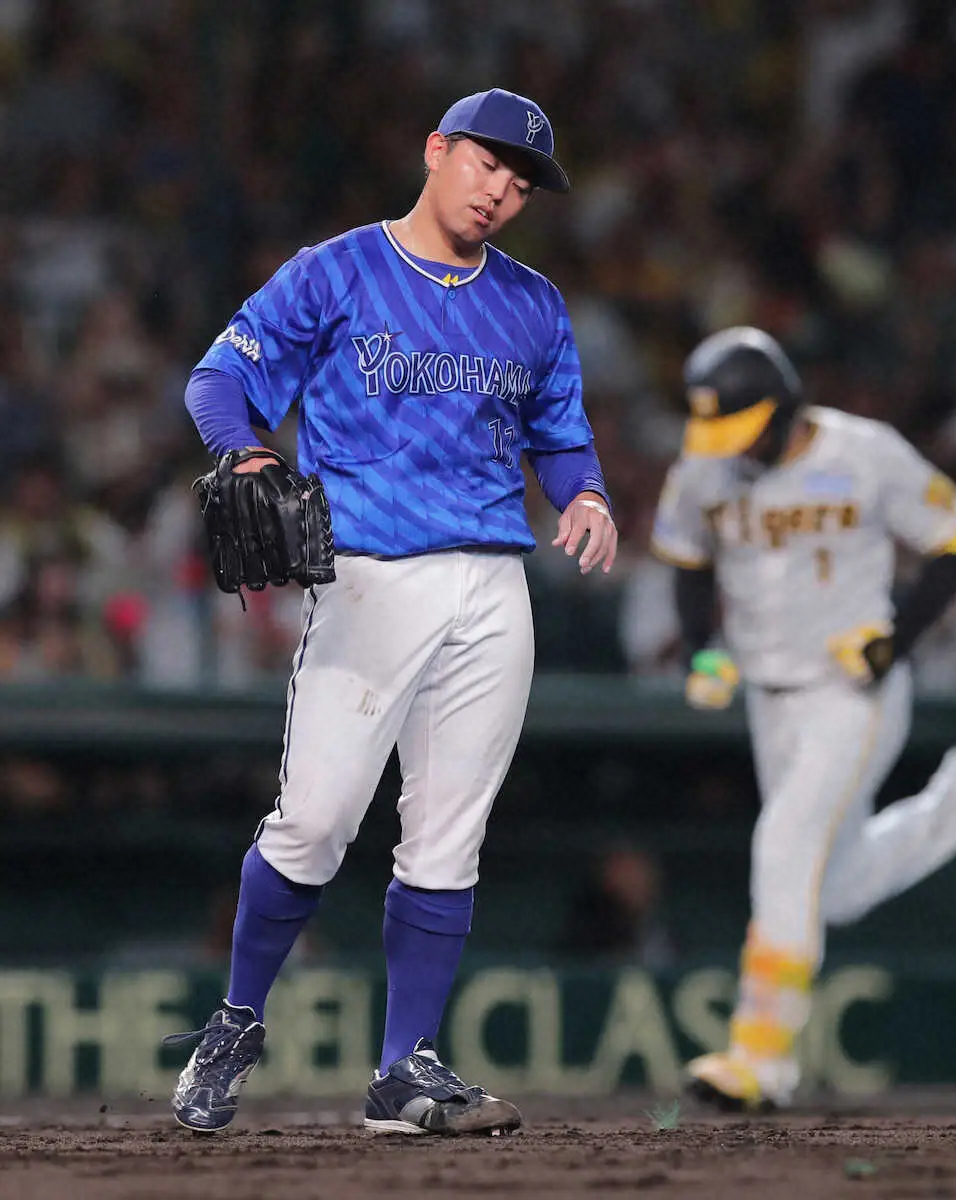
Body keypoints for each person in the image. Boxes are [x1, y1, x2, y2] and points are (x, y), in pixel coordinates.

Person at [164, 88, 617, 1136]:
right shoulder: (337, 270)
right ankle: (236, 1021)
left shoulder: (534, 303)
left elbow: (560, 431)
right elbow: (218, 379)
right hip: (370, 573)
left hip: (492, 580)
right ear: (435, 150)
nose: (501, 189)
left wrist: (586, 493)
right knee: (316, 822)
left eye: (521, 181)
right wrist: (246, 450)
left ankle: (403, 1069)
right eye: (487, 162)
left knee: (448, 836)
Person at [650, 326, 956, 1112]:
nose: (737, 447)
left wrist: (897, 641)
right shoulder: (704, 468)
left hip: (850, 691)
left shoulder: (864, 452)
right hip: (768, 697)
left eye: (747, 427)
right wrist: (700, 650)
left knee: (785, 846)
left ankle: (761, 1060)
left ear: (785, 406)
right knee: (833, 888)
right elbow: (688, 563)